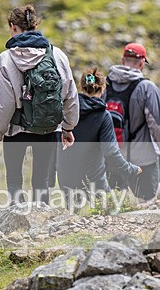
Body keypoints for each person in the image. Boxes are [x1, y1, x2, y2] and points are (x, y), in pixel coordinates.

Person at [0, 4, 79, 204]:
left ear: (12, 27)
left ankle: (16, 222)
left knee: (14, 180)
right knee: (42, 181)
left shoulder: (6, 59)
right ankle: (43, 225)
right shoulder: (57, 55)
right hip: (48, 127)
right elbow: (70, 93)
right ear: (35, 25)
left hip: (16, 129)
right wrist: (68, 127)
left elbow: (3, 106)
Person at [105, 43, 160, 200]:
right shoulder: (147, 88)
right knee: (146, 201)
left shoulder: (105, 85)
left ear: (122, 60)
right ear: (142, 63)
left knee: (114, 204)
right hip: (143, 160)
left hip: (112, 157)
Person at [57, 67, 142, 198]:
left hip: (66, 180)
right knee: (106, 213)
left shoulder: (67, 110)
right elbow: (111, 153)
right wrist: (131, 169)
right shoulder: (103, 116)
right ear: (103, 89)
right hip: (95, 183)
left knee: (74, 216)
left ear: (81, 87)